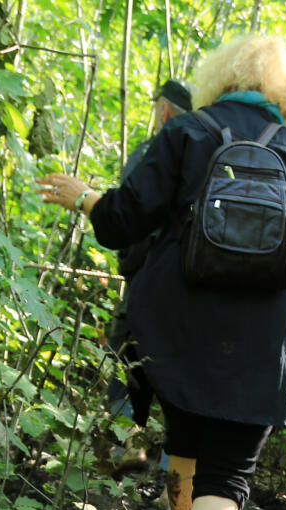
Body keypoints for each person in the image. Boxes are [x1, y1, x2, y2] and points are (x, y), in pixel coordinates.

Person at [38, 33, 286, 510]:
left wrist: (85, 199)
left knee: (183, 436)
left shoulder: (188, 133)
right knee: (228, 472)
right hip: (265, 338)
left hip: (176, 324)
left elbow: (121, 220)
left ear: (220, 78)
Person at [104, 77, 192, 473]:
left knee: (124, 360)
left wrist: (130, 264)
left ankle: (131, 443)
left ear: (165, 109)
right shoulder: (215, 150)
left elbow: (128, 217)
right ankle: (174, 472)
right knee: (182, 377)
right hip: (197, 287)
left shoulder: (152, 151)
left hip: (147, 282)